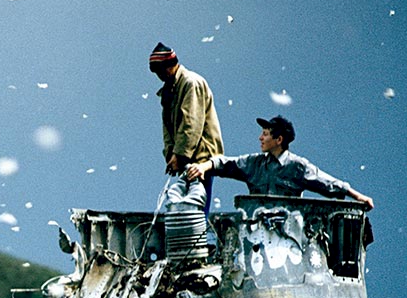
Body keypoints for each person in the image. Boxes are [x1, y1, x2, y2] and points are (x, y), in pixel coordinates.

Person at [185, 115, 374, 210]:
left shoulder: (297, 167)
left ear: (279, 140)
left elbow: (329, 184)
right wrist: (202, 166)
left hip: (286, 237)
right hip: (254, 234)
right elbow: (225, 163)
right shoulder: (254, 163)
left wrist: (358, 197)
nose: (260, 138)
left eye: (265, 134)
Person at [150, 41, 223, 213]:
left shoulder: (191, 83)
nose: (159, 76)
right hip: (185, 158)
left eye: (160, 70)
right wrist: (171, 154)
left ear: (170, 65)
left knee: (196, 210)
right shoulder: (169, 90)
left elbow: (191, 124)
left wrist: (180, 154)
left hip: (201, 157)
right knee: (183, 209)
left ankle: (197, 237)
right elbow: (167, 127)